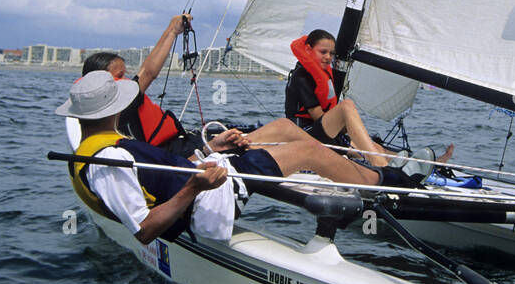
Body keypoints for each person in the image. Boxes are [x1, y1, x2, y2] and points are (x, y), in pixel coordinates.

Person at [81, 15, 425, 191]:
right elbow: (152, 70)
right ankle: (382, 176)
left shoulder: (122, 98)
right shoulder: (117, 106)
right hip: (190, 156)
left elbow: (147, 71)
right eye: (118, 76)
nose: (127, 81)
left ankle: (389, 164)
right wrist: (171, 31)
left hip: (199, 145)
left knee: (289, 129)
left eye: (125, 75)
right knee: (309, 139)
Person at [58, 70, 231, 244]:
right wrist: (194, 187)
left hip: (196, 181)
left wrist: (210, 148)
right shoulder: (109, 157)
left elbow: (164, 173)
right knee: (256, 151)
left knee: (247, 146)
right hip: (207, 196)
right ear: (117, 108)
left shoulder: (92, 148)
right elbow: (144, 231)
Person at [285, 29, 453, 169]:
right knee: (348, 112)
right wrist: (346, 144)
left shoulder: (322, 74)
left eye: (331, 53)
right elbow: (319, 118)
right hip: (304, 135)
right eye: (323, 52)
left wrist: (352, 138)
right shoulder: (301, 77)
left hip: (324, 131)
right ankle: (382, 165)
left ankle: (426, 164)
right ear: (308, 49)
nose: (328, 57)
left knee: (376, 147)